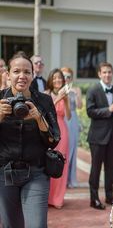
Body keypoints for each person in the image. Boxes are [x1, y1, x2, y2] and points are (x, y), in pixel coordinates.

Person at [0, 52, 60, 228]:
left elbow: (54, 139)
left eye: (26, 71)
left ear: (32, 74)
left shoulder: (43, 100)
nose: (22, 76)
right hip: (4, 173)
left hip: (36, 173)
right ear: (8, 74)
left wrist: (38, 118)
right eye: (16, 71)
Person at [86, 62, 113, 209]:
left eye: (109, 72)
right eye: (104, 72)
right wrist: (109, 109)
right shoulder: (93, 90)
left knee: (111, 168)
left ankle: (109, 196)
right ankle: (94, 198)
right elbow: (90, 112)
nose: (107, 75)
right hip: (97, 136)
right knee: (96, 168)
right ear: (99, 74)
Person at [45, 69, 71, 209]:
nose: (57, 80)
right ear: (51, 79)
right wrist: (58, 98)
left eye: (59, 78)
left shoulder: (66, 94)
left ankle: (58, 198)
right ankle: (47, 196)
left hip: (62, 130)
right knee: (48, 162)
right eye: (54, 78)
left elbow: (69, 116)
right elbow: (46, 112)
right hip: (49, 130)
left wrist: (65, 100)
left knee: (61, 163)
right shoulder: (46, 94)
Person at [61, 67, 82, 188]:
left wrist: (76, 94)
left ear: (71, 78)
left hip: (72, 119)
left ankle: (71, 179)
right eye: (63, 76)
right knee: (63, 148)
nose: (66, 79)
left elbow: (79, 106)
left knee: (73, 149)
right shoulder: (58, 89)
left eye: (68, 76)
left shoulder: (76, 89)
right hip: (61, 118)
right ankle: (61, 178)